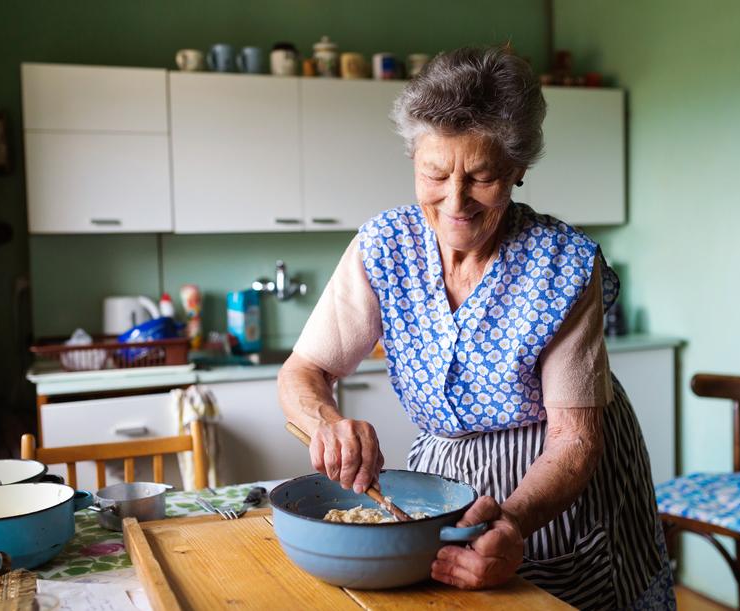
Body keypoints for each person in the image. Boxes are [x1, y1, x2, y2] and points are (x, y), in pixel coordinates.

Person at [277, 46, 674, 610]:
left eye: (482, 177)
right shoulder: (382, 246)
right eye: (435, 174)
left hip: (557, 490)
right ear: (414, 159)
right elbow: (305, 371)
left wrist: (512, 519)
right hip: (443, 481)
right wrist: (327, 423)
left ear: (517, 170)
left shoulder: (563, 264)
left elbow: (573, 442)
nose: (455, 201)